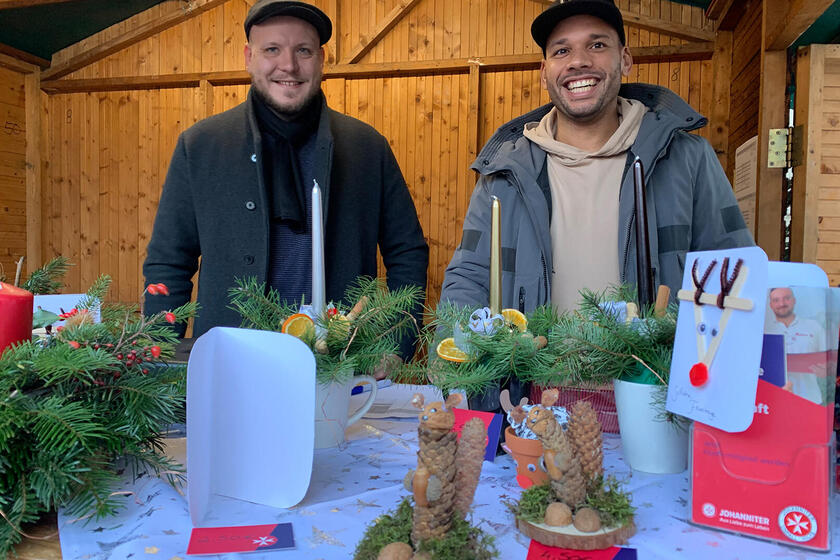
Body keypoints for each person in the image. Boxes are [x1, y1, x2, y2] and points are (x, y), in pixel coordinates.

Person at [143, 0, 429, 368]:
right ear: (249, 57)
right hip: (228, 364)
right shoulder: (200, 145)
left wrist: (397, 344)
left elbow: (407, 252)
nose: (288, 66)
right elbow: (169, 262)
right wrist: (156, 358)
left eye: (303, 51)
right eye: (272, 50)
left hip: (339, 365)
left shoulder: (366, 147)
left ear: (321, 59)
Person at [441, 0, 753, 316]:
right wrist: (457, 359)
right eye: (561, 51)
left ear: (625, 59)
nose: (578, 61)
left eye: (597, 44)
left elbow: (733, 271)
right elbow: (469, 279)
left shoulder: (689, 159)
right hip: (532, 366)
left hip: (652, 367)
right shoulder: (503, 173)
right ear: (544, 73)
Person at [765, 287, 826, 404]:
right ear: (771, 304)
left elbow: (827, 362)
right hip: (773, 402)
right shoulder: (764, 330)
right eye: (776, 300)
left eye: (786, 298)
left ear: (794, 300)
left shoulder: (814, 327)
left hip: (809, 399)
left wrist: (824, 371)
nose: (781, 304)